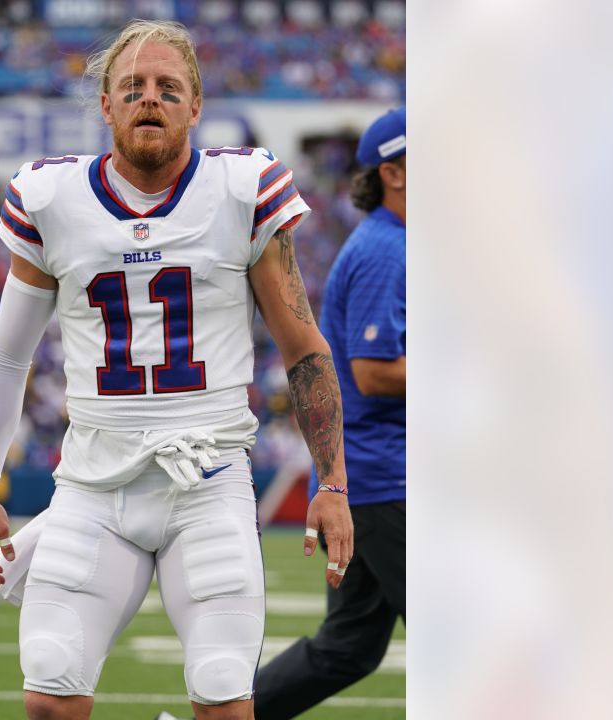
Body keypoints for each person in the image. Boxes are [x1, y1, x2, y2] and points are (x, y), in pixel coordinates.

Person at [0, 20, 354, 720]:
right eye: (133, 87)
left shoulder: (243, 188)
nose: (151, 99)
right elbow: (7, 352)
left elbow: (304, 347)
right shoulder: (52, 200)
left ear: (196, 107)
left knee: (223, 696)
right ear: (107, 106)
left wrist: (332, 480)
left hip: (206, 479)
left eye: (169, 88)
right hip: (92, 481)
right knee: (49, 693)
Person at [251, 107, 407, 719]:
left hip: (376, 477)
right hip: (382, 478)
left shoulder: (393, 244)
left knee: (347, 648)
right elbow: (372, 371)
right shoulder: (386, 251)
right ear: (394, 173)